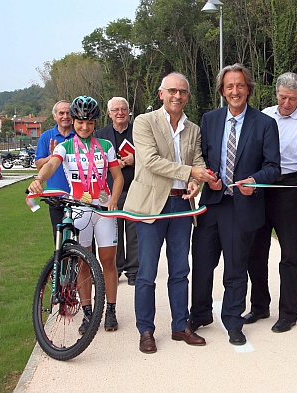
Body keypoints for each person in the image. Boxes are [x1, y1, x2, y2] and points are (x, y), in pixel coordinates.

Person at [190, 63, 281, 345]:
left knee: (236, 268)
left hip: (243, 207)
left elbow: (273, 167)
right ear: (222, 90)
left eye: (240, 85)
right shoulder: (210, 119)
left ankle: (233, 320)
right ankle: (201, 313)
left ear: (249, 89)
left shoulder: (265, 123)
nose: (235, 91)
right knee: (203, 264)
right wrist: (208, 177)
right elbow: (202, 159)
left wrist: (254, 180)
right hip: (213, 203)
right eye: (229, 86)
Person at [124, 72, 214, 354]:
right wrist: (190, 171)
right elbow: (150, 161)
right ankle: (146, 331)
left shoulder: (194, 129)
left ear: (188, 96)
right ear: (161, 93)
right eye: (172, 91)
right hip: (152, 205)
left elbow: (197, 161)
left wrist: (195, 181)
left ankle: (180, 326)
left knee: (180, 270)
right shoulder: (144, 121)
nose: (177, 96)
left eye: (183, 92)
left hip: (180, 206)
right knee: (147, 273)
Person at [28, 96, 124, 334]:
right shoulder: (65, 146)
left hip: (103, 210)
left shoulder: (106, 146)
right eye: (80, 122)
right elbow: (51, 164)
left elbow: (118, 177)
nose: (84, 127)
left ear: (94, 123)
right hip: (79, 209)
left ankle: (110, 310)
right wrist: (39, 179)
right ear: (73, 120)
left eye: (89, 122)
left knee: (108, 262)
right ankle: (88, 312)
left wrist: (113, 201)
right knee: (82, 262)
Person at [243, 72, 297, 333]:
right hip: (263, 186)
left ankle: (288, 312)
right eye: (283, 97)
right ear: (276, 94)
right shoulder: (264, 115)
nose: (287, 103)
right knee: (256, 250)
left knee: (290, 254)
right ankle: (259, 305)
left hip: (289, 188)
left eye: (292, 98)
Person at [95, 97, 139, 286]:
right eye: (116, 109)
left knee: (134, 232)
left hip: (135, 188)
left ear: (129, 111)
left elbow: (151, 154)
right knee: (112, 232)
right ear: (109, 113)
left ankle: (134, 271)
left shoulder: (138, 131)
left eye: (123, 109)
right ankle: (116, 268)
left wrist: (134, 158)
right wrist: (114, 164)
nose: (120, 112)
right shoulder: (99, 134)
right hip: (108, 190)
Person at [35, 100, 76, 238]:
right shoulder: (46, 137)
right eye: (61, 113)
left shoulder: (80, 135)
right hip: (56, 197)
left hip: (79, 196)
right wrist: (52, 157)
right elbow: (39, 165)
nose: (65, 116)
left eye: (68, 113)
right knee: (59, 239)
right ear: (55, 117)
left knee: (83, 241)